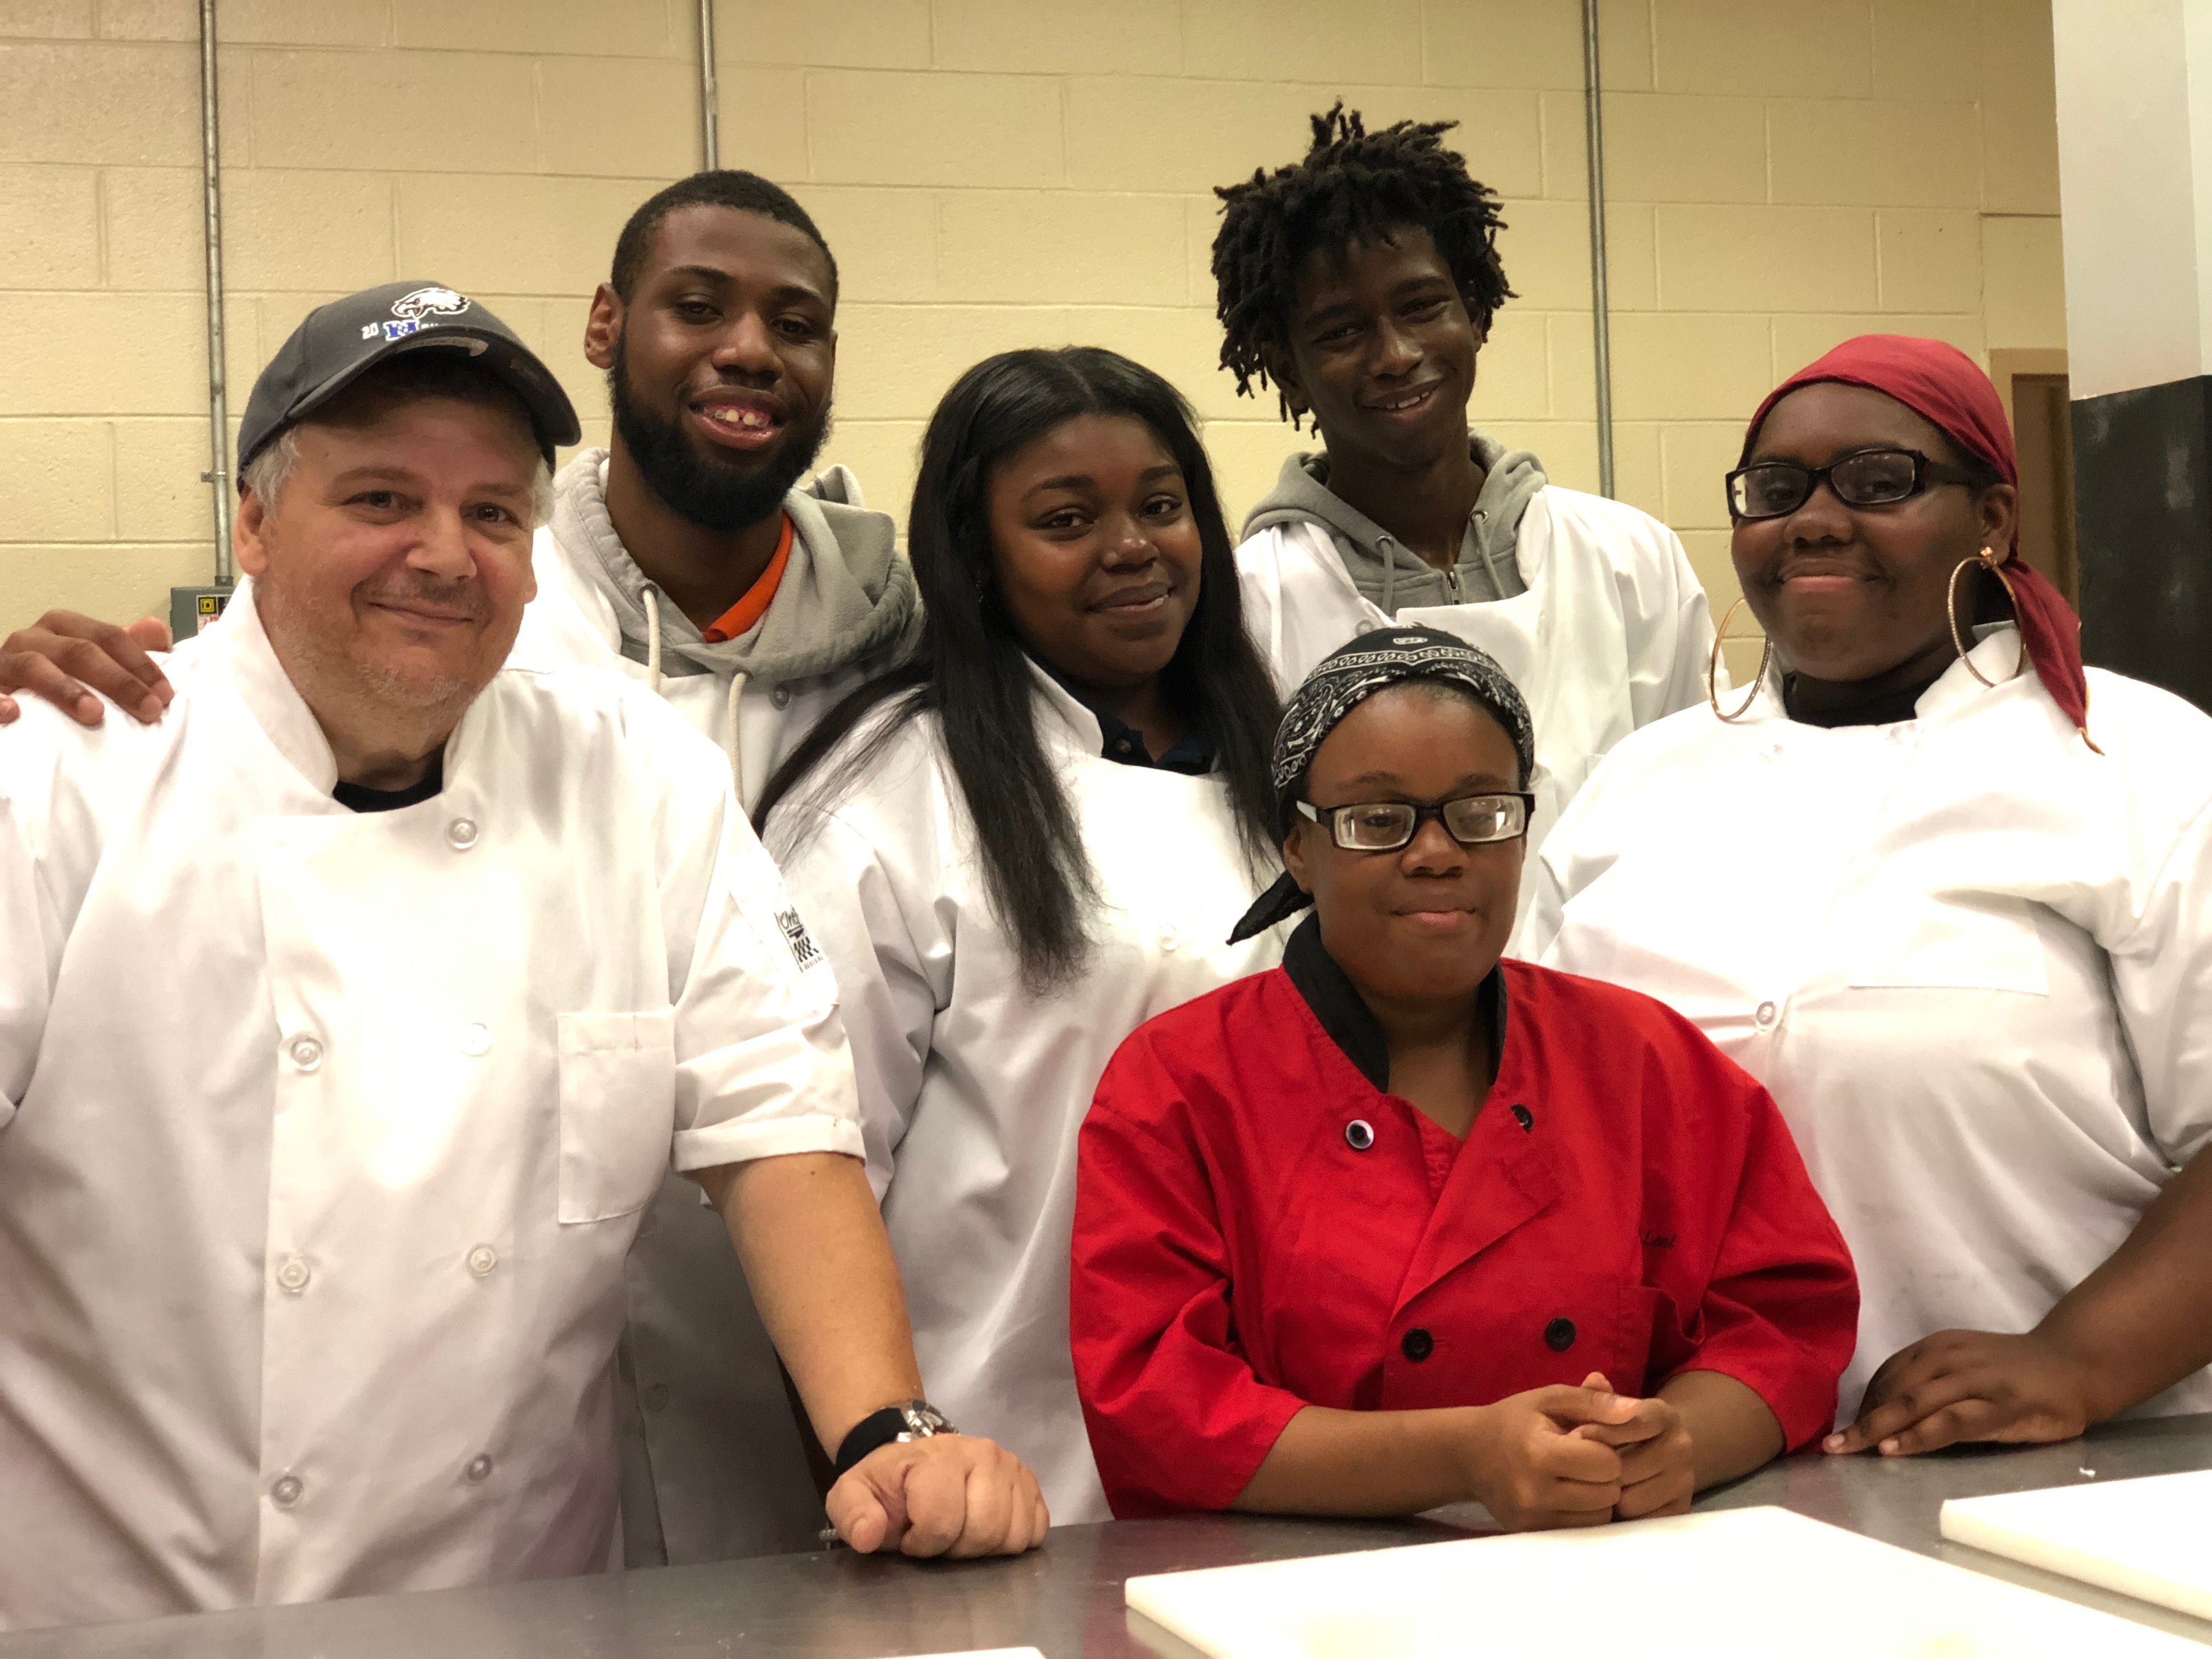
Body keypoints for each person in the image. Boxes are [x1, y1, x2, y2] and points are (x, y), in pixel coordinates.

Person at [0, 286, 1042, 1632]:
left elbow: (777, 1120)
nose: (443, 554)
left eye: (493, 513)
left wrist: (885, 1432)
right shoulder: (64, 770)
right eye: (381, 500)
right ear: (254, 524)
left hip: (519, 1605)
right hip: (135, 1612)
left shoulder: (633, 772)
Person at [1529, 334, 2212, 1458]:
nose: (1815, 518)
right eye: (1777, 489)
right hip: (1693, 1465)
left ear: (1991, 518)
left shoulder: (2133, 763)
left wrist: (2077, 1361)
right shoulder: (1634, 789)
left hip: (2076, 1464)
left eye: (1880, 481)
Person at [1068, 628, 1857, 1523]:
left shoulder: (1643, 1059)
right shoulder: (1178, 1084)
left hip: (1608, 1574)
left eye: (1481, 814)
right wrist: (1463, 1457)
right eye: (1378, 821)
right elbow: (1156, 1406)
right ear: (1297, 845)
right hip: (1293, 1600)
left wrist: (1676, 1444)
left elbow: (1785, 1320)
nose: (1437, 853)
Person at [753, 347, 1286, 1521]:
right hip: (997, 1461)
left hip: (1292, 1452)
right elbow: (809, 1166)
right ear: (979, 559)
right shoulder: (887, 795)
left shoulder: (1291, 764)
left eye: (1162, 504)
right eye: (1065, 519)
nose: (1134, 546)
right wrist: (879, 1455)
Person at [1211, 106, 1716, 948]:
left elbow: (1702, 810)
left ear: (1475, 311)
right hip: (1363, 1051)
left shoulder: (1632, 561)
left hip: (1618, 1025)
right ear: (1284, 370)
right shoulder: (1245, 605)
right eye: (1341, 332)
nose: (1396, 352)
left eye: (1422, 306)